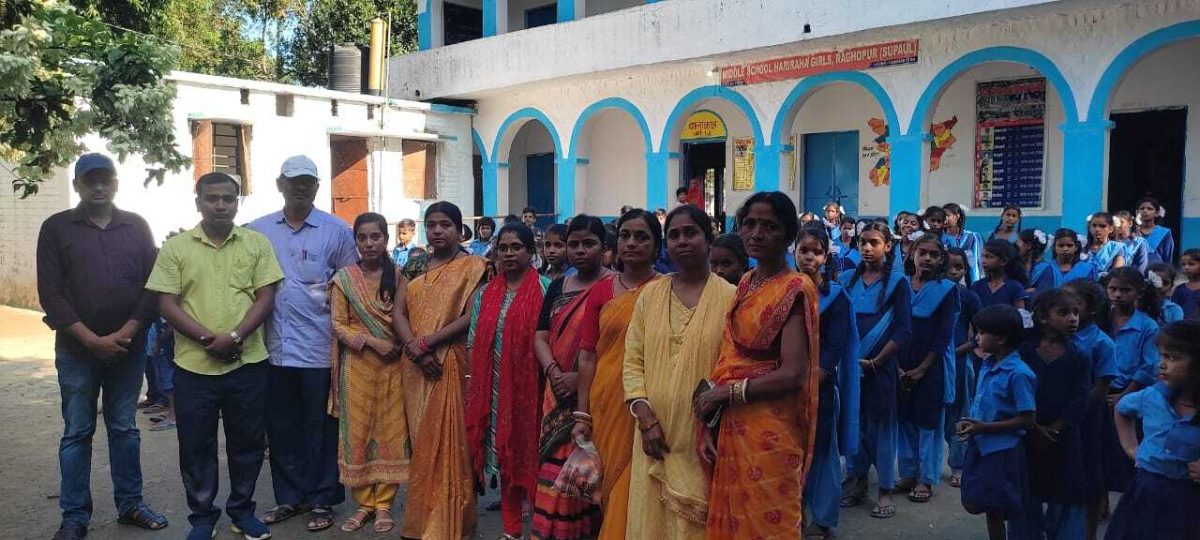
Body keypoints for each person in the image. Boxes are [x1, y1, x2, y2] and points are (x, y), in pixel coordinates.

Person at [146, 172, 284, 540]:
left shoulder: (257, 244)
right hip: (194, 367)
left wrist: (235, 336)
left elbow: (266, 297)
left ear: (237, 202)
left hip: (247, 363)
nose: (220, 205)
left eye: (228, 198)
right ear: (198, 202)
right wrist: (210, 339)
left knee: (247, 443)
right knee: (196, 446)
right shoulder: (177, 248)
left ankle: (242, 511)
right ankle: (202, 518)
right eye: (212, 198)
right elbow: (166, 302)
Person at [37, 153, 168, 540]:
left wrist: (127, 331)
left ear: (115, 183)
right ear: (76, 184)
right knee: (77, 431)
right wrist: (90, 339)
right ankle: (75, 516)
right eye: (89, 180)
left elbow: (153, 285)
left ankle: (130, 504)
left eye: (105, 179)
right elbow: (50, 293)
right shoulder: (57, 228)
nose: (98, 186)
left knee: (124, 427)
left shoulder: (136, 226)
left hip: (128, 349)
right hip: (76, 350)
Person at [693, 192, 820, 539]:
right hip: (733, 422)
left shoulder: (795, 288)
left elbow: (793, 373)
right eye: (749, 224)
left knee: (768, 523)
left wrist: (727, 394)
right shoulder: (747, 282)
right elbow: (729, 356)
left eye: (769, 226)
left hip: (771, 428)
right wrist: (710, 420)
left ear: (788, 234)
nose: (757, 234)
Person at [247, 155, 356, 532]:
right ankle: (290, 497)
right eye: (293, 181)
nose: (300, 188)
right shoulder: (258, 231)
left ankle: (323, 498)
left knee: (322, 427)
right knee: (281, 427)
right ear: (280, 184)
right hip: (272, 350)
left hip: (320, 350)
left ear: (317, 187)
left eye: (307, 181)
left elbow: (351, 286)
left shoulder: (336, 231)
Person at [621, 205, 735, 539]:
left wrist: (713, 423)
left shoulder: (731, 297)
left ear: (708, 239)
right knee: (651, 522)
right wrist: (645, 418)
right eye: (673, 235)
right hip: (651, 435)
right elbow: (633, 361)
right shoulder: (650, 296)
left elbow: (735, 366)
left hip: (704, 436)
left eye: (690, 233)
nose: (681, 241)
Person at [391, 201, 489, 539]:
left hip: (450, 362)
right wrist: (414, 348)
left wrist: (427, 343)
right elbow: (398, 312)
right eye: (431, 225)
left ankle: (452, 523)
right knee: (423, 442)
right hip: (416, 366)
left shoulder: (474, 266)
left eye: (445, 225)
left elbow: (472, 316)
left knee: (452, 444)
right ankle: (422, 521)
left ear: (459, 230)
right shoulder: (416, 264)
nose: (437, 231)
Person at [573, 210, 662, 539]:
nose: (631, 243)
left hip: (651, 401)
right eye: (625, 236)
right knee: (610, 485)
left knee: (644, 483)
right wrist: (582, 413)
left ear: (656, 246)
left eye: (641, 237)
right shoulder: (601, 291)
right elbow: (587, 355)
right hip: (607, 402)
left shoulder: (667, 288)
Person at [532, 215, 615, 539]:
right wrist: (554, 372)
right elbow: (540, 336)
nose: (580, 250)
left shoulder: (616, 287)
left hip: (596, 394)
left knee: (591, 471)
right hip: (555, 393)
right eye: (574, 244)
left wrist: (578, 378)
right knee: (554, 471)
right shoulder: (558, 286)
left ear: (604, 248)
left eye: (589, 243)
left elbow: (618, 347)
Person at [466, 222, 550, 540]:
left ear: (530, 252)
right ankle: (512, 530)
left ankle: (541, 530)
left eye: (517, 247)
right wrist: (474, 385)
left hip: (534, 390)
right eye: (503, 248)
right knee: (505, 456)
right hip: (493, 391)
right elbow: (473, 341)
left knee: (534, 456)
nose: (509, 253)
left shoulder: (545, 289)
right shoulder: (486, 294)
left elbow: (552, 340)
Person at [327, 213, 405, 533]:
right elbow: (337, 324)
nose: (369, 243)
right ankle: (364, 504)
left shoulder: (398, 276)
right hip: (357, 368)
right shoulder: (344, 279)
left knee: (391, 433)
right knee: (357, 433)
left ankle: (384, 504)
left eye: (376, 237)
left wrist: (393, 345)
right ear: (355, 241)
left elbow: (407, 317)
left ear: (386, 239)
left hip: (393, 368)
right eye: (362, 237)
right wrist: (373, 342)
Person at [839, 221, 911, 519]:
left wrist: (877, 361)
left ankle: (885, 489)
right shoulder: (846, 279)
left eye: (874, 243)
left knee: (881, 426)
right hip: (850, 366)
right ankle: (857, 481)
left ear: (888, 246)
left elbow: (903, 329)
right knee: (853, 422)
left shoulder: (898, 283)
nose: (867, 248)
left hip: (880, 367)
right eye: (862, 242)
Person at [1106, 320, 1200, 539]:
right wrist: (1132, 449)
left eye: (1173, 358)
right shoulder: (1152, 396)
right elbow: (1122, 409)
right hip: (1148, 491)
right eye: (1162, 356)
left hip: (1190, 499)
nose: (1162, 364)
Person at [795, 226, 859, 540]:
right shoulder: (784, 290)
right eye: (804, 250)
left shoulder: (835, 297)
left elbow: (834, 347)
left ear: (825, 256)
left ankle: (822, 520)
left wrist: (811, 380)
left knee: (821, 451)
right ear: (793, 251)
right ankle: (792, 515)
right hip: (783, 386)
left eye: (816, 251)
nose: (809, 257)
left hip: (818, 387)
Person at [1011, 290, 1091, 540]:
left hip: (1064, 437)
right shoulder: (1024, 352)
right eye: (1064, 313)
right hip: (1027, 436)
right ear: (1043, 317)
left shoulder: (1078, 356)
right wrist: (1035, 428)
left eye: (1076, 312)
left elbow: (1080, 399)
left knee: (1067, 496)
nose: (1073, 318)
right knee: (1026, 494)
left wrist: (1055, 428)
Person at [957, 305, 1036, 540]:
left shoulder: (1019, 373)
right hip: (982, 444)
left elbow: (1027, 419)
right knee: (983, 503)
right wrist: (972, 424)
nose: (976, 338)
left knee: (997, 506)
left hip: (1002, 450)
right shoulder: (988, 364)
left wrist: (984, 427)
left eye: (982, 333)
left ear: (1001, 338)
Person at [897, 235, 959, 504]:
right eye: (922, 252)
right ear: (912, 253)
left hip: (931, 365)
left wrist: (922, 369)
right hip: (900, 362)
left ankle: (926, 478)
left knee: (928, 422)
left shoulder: (947, 289)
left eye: (934, 255)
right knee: (904, 419)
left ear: (941, 259)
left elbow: (944, 334)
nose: (927, 258)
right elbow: (892, 324)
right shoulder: (900, 285)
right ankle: (908, 473)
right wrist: (897, 366)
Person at [1060, 278, 1119, 538]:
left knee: (1090, 476)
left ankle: (1088, 533)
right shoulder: (1057, 337)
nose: (1069, 311)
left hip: (1088, 418)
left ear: (1092, 309)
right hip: (1059, 415)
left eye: (1076, 305)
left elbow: (1101, 387)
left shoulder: (1101, 342)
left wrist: (1075, 413)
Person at [1103, 267, 1162, 494]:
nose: (1118, 295)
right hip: (1102, 392)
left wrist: (1124, 395)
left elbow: (1148, 366)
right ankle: (1102, 500)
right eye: (1113, 289)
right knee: (1102, 451)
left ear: (1139, 292)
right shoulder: (1102, 320)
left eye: (1125, 290)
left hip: (1132, 395)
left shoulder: (1147, 326)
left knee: (1129, 450)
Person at [945, 247, 981, 488]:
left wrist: (955, 352)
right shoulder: (931, 294)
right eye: (949, 267)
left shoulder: (969, 297)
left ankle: (958, 465)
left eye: (959, 267)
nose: (953, 272)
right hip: (933, 361)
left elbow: (978, 335)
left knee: (960, 413)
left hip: (959, 362)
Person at [970, 239, 1028, 309]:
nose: (983, 261)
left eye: (989, 257)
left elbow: (1020, 313)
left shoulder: (1015, 287)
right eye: (982, 256)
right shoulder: (977, 286)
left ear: (1003, 261)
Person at [942, 202, 984, 282]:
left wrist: (975, 283)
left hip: (966, 279)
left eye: (947, 215)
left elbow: (976, 263)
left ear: (957, 216)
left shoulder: (971, 237)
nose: (944, 219)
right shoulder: (940, 237)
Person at [1018, 228, 1060, 296]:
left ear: (1028, 245)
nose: (1016, 245)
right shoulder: (1018, 265)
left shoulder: (1046, 270)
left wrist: (1023, 293)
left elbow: (1043, 295)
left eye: (1019, 242)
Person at [1134, 196, 1175, 265]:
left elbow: (1168, 258)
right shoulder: (1132, 232)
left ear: (1157, 213)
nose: (1145, 211)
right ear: (1137, 212)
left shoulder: (1164, 233)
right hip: (1134, 270)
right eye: (1142, 208)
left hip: (1157, 269)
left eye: (1149, 209)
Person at [1171, 248, 1200, 320]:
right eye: (1183, 264)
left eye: (1191, 264)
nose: (1186, 267)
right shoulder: (1180, 289)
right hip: (1183, 325)